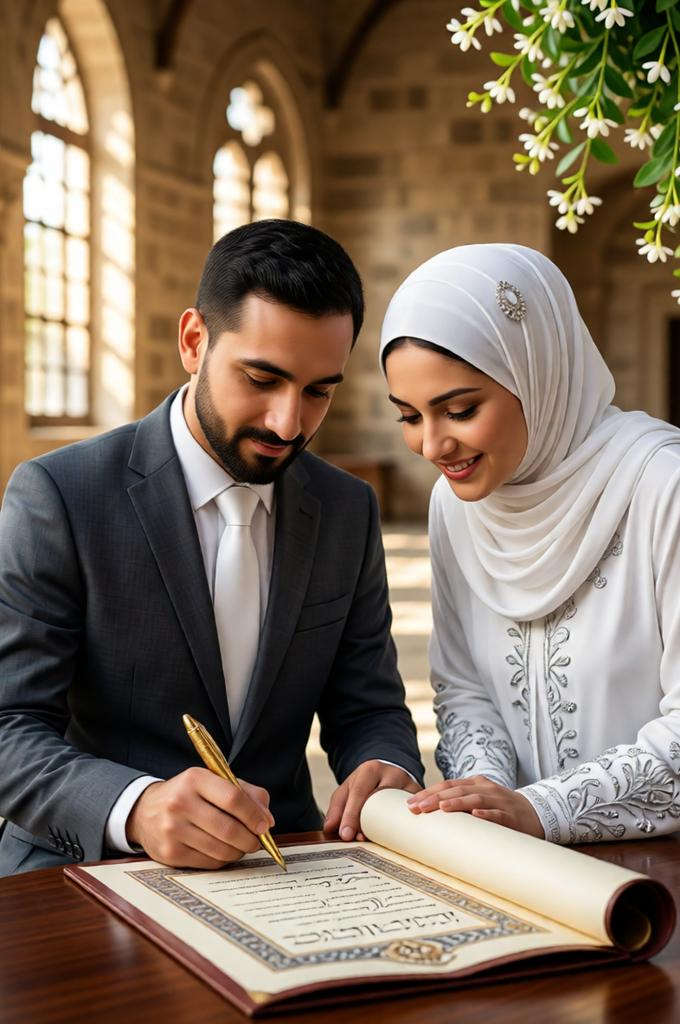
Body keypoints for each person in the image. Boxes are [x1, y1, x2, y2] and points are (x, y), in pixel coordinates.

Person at [0, 218, 423, 876]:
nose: (289, 422)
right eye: (261, 378)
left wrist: (386, 766)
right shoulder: (59, 494)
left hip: (285, 873)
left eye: (319, 391)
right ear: (194, 341)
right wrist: (135, 807)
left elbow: (367, 705)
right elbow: (9, 725)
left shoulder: (347, 508)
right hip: (84, 876)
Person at [379, 242, 680, 844]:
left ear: (536, 372)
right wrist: (486, 800)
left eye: (459, 409)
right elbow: (463, 689)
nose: (434, 447)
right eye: (409, 417)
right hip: (519, 866)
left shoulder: (661, 484)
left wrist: (544, 810)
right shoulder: (455, 504)